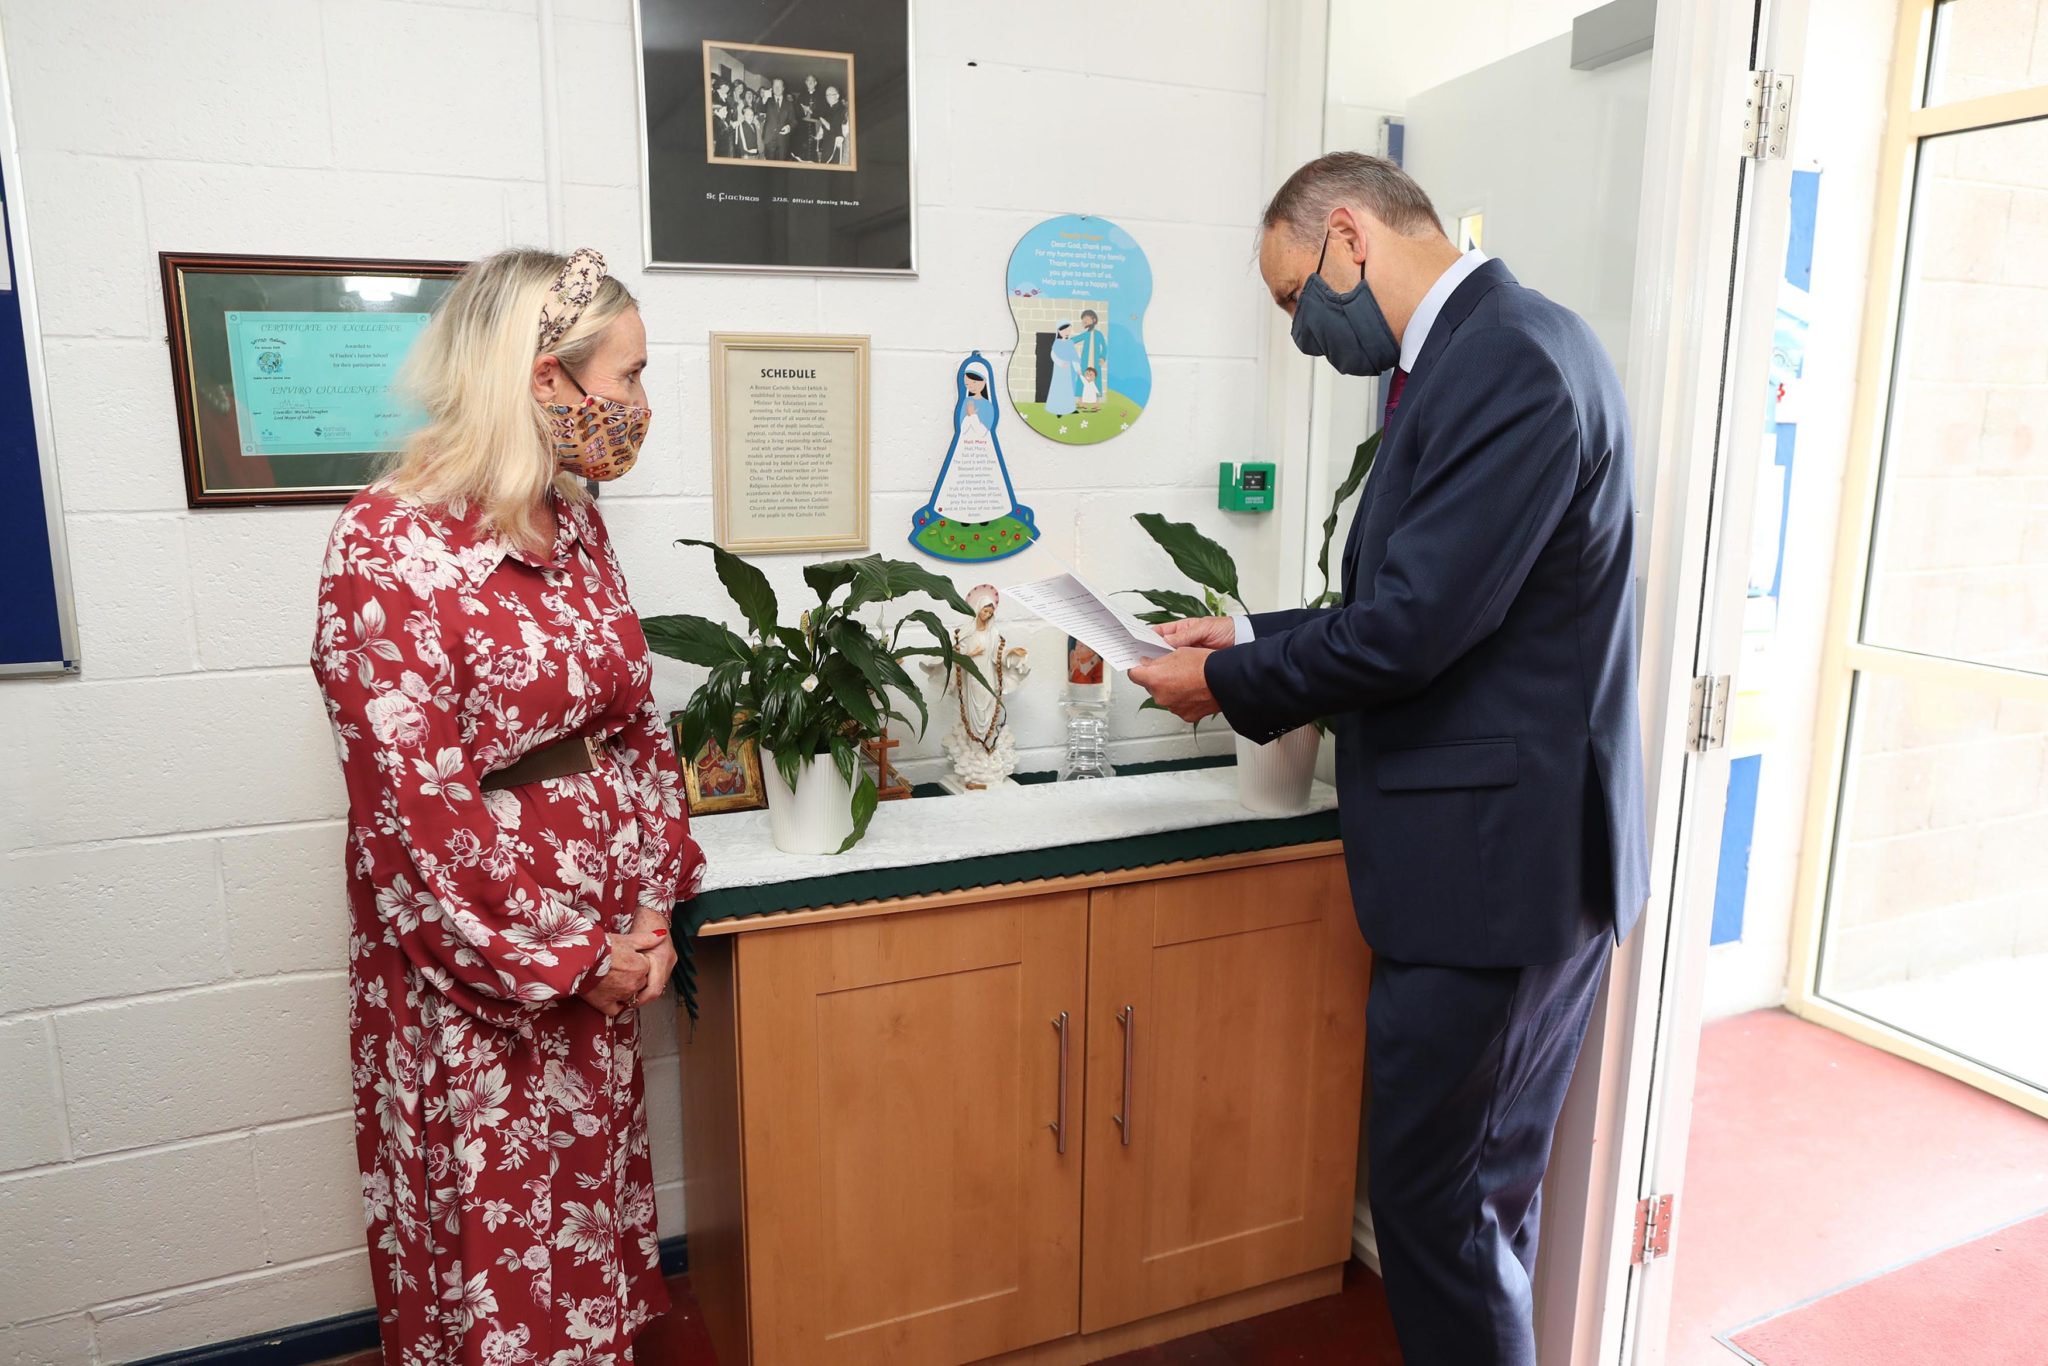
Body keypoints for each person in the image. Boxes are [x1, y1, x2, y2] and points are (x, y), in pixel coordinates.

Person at [1130, 152, 1648, 1366]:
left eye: (1290, 296)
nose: (1301, 331)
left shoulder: (1506, 363)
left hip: (1494, 883)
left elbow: (1411, 632)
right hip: (1494, 870)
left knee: (1439, 1210)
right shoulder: (1497, 352)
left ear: (1347, 238)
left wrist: (1228, 682)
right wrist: (1248, 635)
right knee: (1468, 1206)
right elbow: (1423, 602)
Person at [311, 246, 706, 1366]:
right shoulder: (387, 547)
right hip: (480, 979)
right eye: (624, 377)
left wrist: (647, 915)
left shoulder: (573, 523)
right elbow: (411, 819)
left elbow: (631, 726)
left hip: (604, 957)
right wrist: (573, 956)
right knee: (497, 1273)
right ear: (545, 379)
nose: (636, 404)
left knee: (581, 1256)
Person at [1072, 308, 1108, 407]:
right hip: (1085, 361)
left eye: (1086, 319)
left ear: (1094, 320)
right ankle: (1080, 401)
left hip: (1096, 362)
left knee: (1097, 380)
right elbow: (1075, 339)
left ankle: (1096, 402)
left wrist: (1102, 358)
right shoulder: (1086, 334)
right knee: (1081, 379)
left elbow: (1104, 347)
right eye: (1083, 320)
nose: (1084, 321)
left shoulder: (1099, 334)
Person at [1044, 323, 1080, 419]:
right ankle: (1058, 410)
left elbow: (1074, 356)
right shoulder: (1057, 344)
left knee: (1068, 389)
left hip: (1069, 370)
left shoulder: (1070, 343)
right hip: (1060, 370)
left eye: (1069, 330)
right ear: (1059, 331)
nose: (1067, 332)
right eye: (1065, 330)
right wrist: (1060, 363)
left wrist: (1077, 368)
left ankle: (1070, 408)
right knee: (1059, 389)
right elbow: (1053, 355)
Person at [761, 77, 791, 161]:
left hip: (783, 140)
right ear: (772, 88)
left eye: (779, 86)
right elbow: (760, 110)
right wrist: (763, 99)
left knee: (781, 167)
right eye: (775, 86)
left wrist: (789, 127)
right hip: (769, 140)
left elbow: (794, 121)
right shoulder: (767, 101)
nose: (777, 88)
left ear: (783, 88)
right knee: (768, 168)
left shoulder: (789, 104)